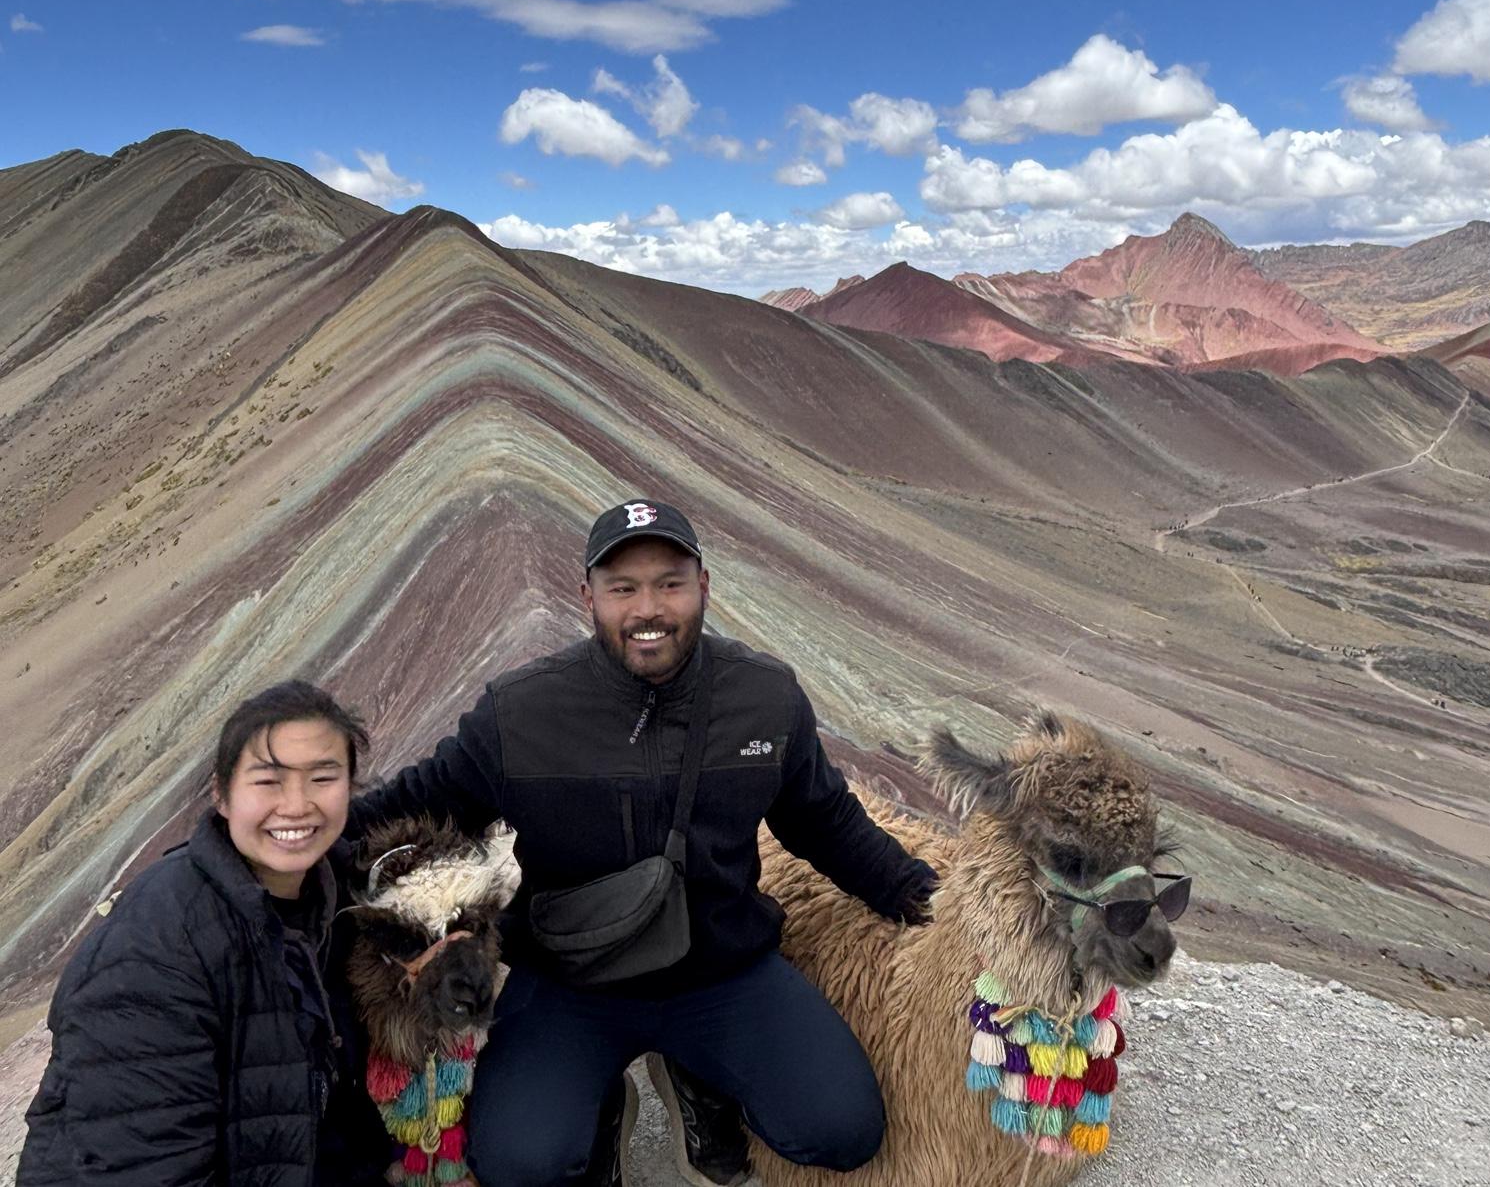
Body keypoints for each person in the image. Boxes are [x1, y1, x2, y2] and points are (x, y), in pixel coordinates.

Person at [346, 499, 937, 1187]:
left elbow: (826, 822)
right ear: (587, 596)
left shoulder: (764, 699)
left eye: (669, 583)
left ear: (704, 587)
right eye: (623, 588)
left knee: (842, 1131)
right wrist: (284, 854)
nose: (647, 608)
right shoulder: (519, 714)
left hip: (724, 975)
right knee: (519, 1163)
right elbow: (412, 805)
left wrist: (929, 898)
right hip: (567, 983)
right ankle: (601, 1106)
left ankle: (698, 1078)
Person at [17, 681, 392, 1187]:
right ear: (221, 794)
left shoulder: (331, 898)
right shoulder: (156, 949)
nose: (298, 805)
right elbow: (145, 1168)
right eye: (268, 782)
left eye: (323, 777)